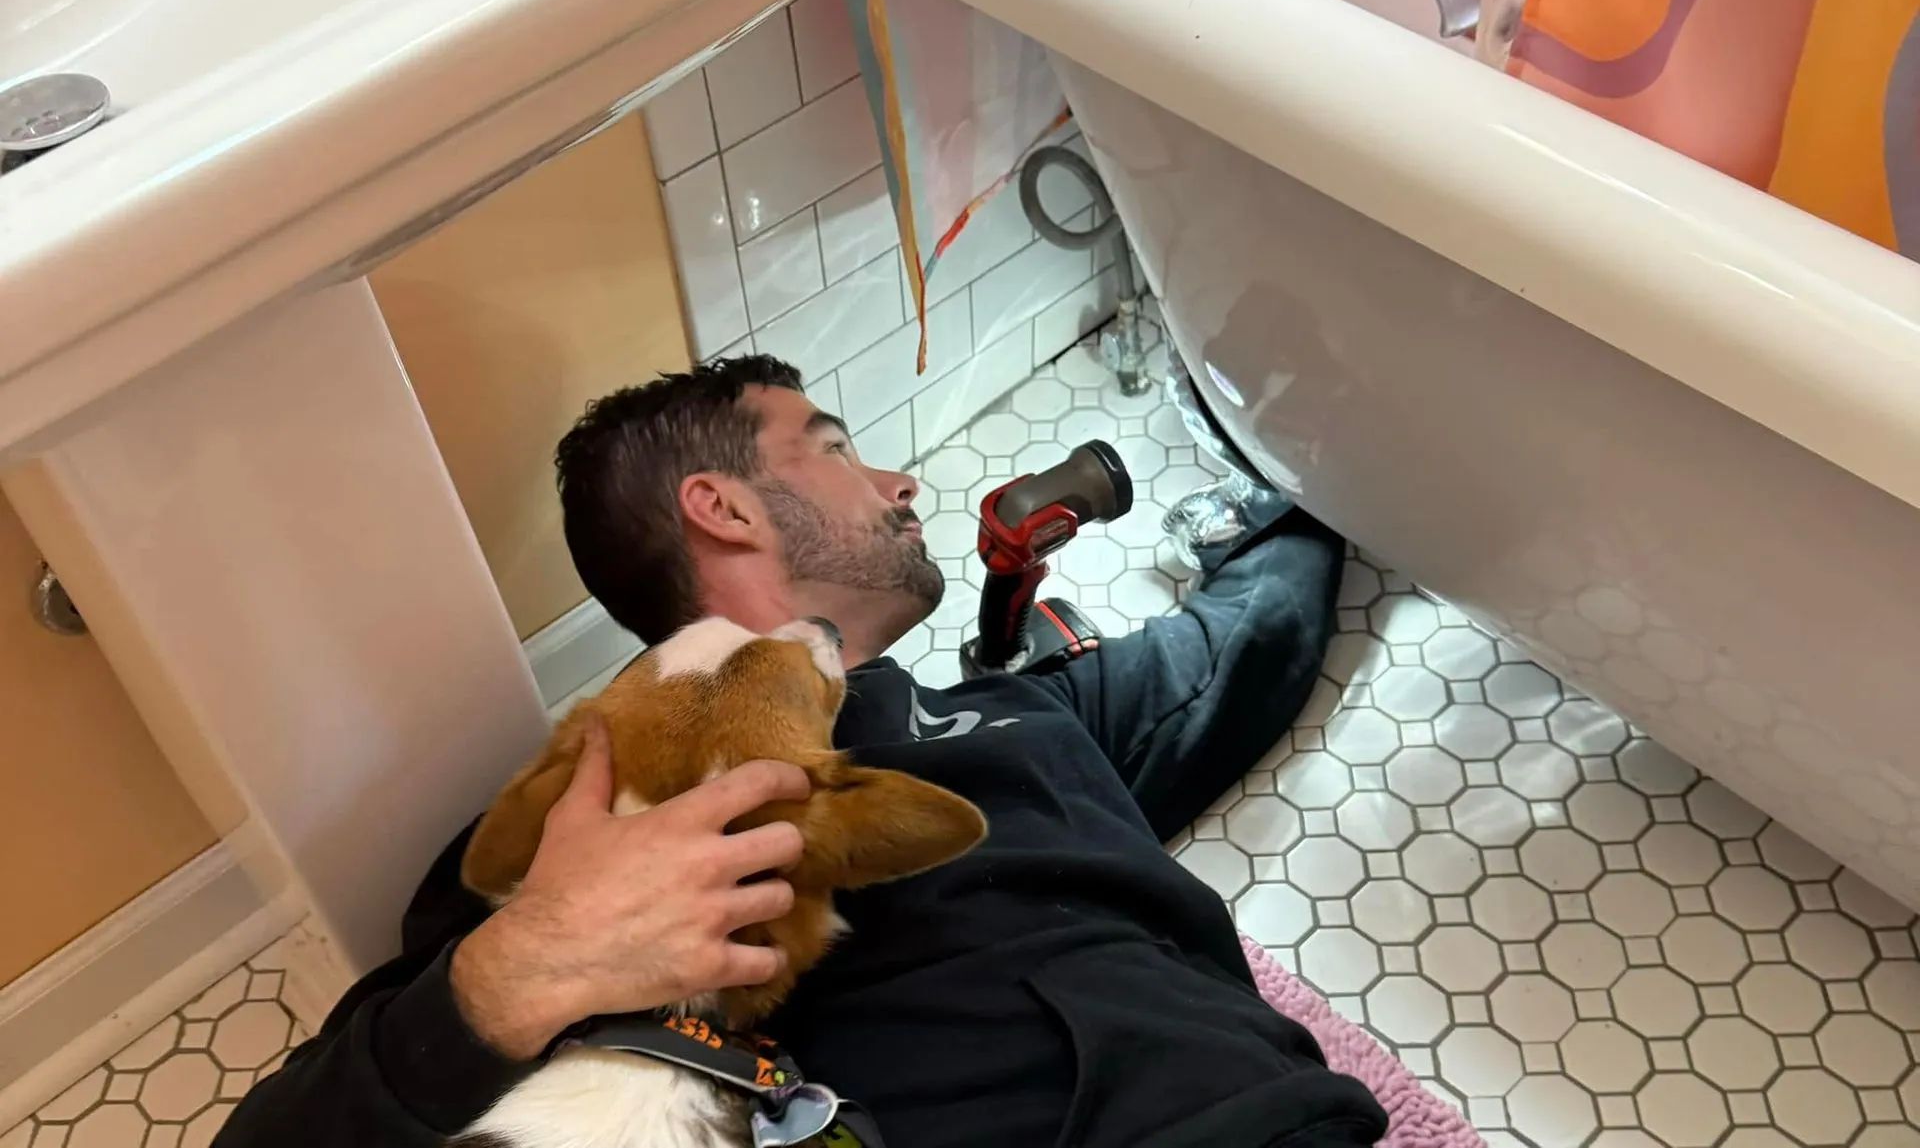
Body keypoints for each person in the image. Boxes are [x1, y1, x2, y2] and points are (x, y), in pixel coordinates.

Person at [216, 357, 1387, 1148]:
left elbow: (1241, 649)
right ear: (723, 508)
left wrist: (1335, 466)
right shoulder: (580, 817)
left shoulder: (1020, 719)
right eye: (835, 447)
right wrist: (529, 963)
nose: (898, 480)